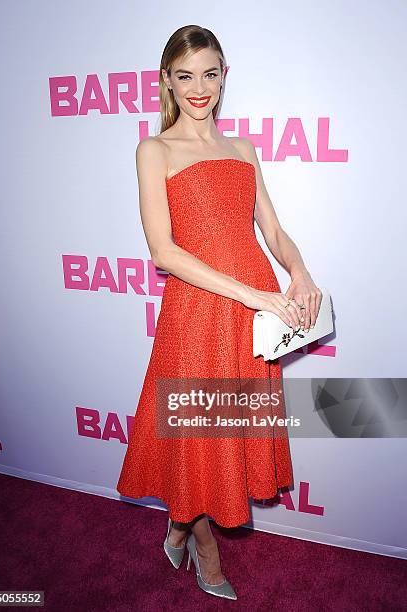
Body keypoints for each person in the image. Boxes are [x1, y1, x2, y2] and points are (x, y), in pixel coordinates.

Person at [117, 25, 322, 601]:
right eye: (185, 76)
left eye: (210, 73)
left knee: (223, 432)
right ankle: (203, 544)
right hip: (198, 311)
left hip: (250, 314)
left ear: (224, 76)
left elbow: (274, 231)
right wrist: (257, 294)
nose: (198, 88)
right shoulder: (154, 150)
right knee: (194, 434)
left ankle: (179, 522)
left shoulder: (244, 151)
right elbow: (164, 251)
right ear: (167, 82)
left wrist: (299, 274)